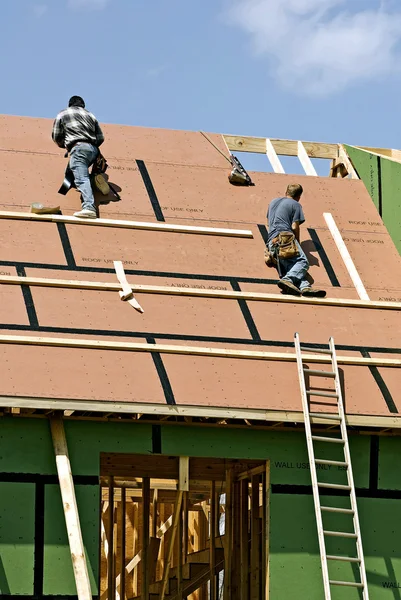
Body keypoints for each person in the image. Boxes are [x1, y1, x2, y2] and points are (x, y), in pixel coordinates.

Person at [266, 184, 326, 297]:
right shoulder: (296, 204)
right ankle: (287, 280)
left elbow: (269, 221)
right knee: (303, 262)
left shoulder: (273, 202)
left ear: (286, 192)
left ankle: (305, 287)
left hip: (271, 242)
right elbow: (294, 226)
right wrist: (296, 242)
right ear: (299, 196)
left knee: (292, 266)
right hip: (285, 238)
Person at [52, 96, 104, 218]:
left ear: (70, 105)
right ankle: (93, 181)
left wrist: (65, 145)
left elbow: (56, 135)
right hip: (93, 150)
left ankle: (89, 208)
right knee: (72, 171)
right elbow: (100, 137)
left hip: (78, 148)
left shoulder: (63, 113)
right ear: (83, 105)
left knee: (81, 178)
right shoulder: (91, 115)